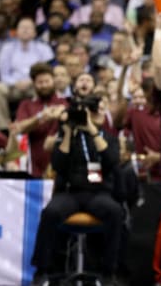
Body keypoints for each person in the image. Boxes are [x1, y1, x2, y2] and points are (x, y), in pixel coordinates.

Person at [31, 88, 123, 285]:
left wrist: (91, 129)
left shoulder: (106, 136)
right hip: (70, 192)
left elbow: (112, 160)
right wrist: (66, 133)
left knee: (115, 212)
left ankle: (109, 272)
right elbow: (58, 165)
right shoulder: (66, 136)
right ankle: (42, 271)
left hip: (98, 193)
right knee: (50, 212)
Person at [14, 63, 68, 178]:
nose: (44, 85)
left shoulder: (65, 102)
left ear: (53, 81)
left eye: (47, 81)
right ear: (34, 84)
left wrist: (61, 114)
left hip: (61, 166)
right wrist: (40, 117)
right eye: (40, 82)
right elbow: (19, 128)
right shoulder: (26, 105)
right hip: (34, 167)